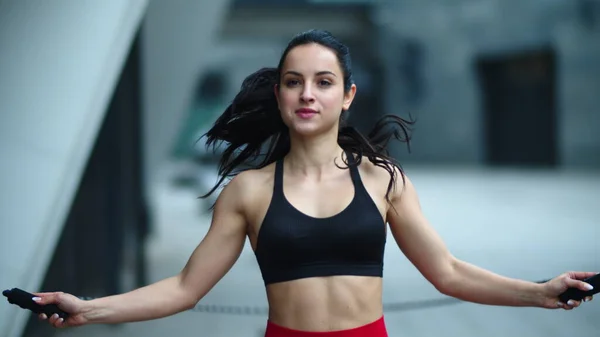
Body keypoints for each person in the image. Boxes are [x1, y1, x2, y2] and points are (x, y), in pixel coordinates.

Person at [33, 29, 595, 336]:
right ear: (278, 94)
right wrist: (88, 308)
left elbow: (446, 273)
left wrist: (540, 293)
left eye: (324, 82)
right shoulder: (248, 192)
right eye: (293, 82)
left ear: (346, 95)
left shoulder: (383, 181)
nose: (307, 94)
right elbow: (185, 289)